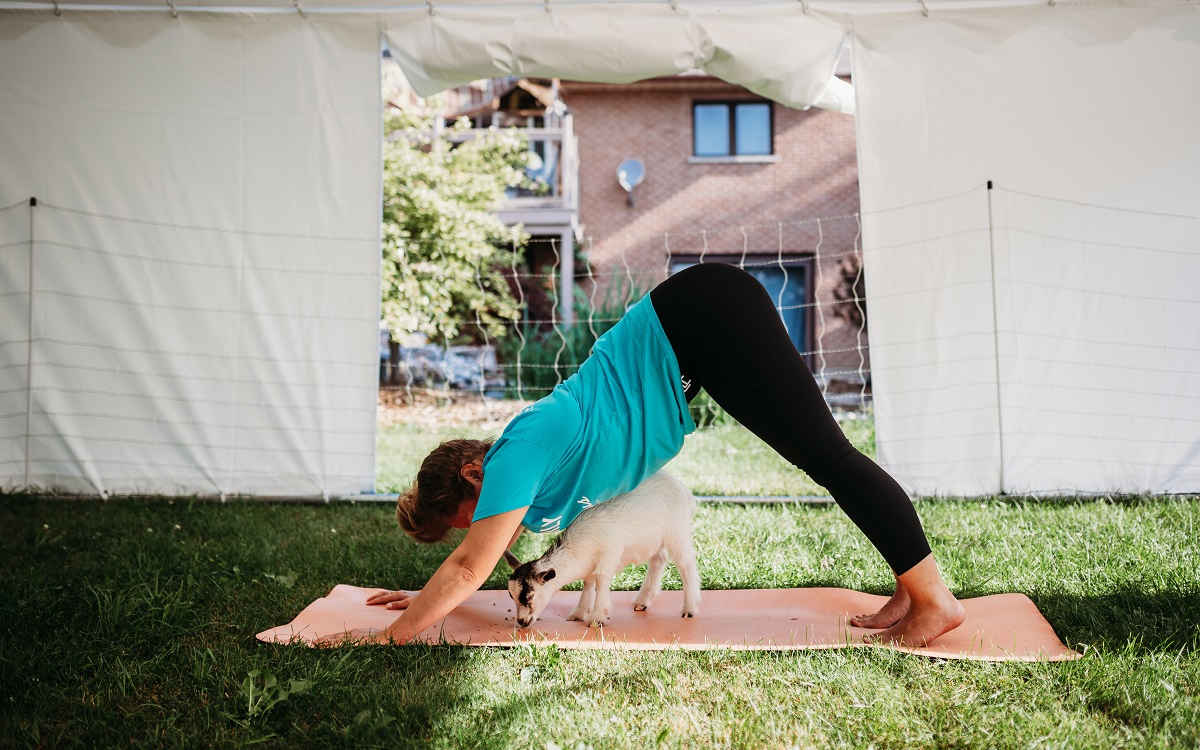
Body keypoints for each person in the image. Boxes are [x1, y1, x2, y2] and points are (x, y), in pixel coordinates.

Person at [340, 263, 964, 647]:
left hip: (700, 318)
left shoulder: (519, 452)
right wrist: (424, 600)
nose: (486, 533)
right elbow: (473, 564)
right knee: (827, 459)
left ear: (475, 474)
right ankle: (910, 591)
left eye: (471, 517)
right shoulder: (519, 472)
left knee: (828, 458)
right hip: (693, 338)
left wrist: (391, 638)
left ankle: (934, 600)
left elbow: (469, 567)